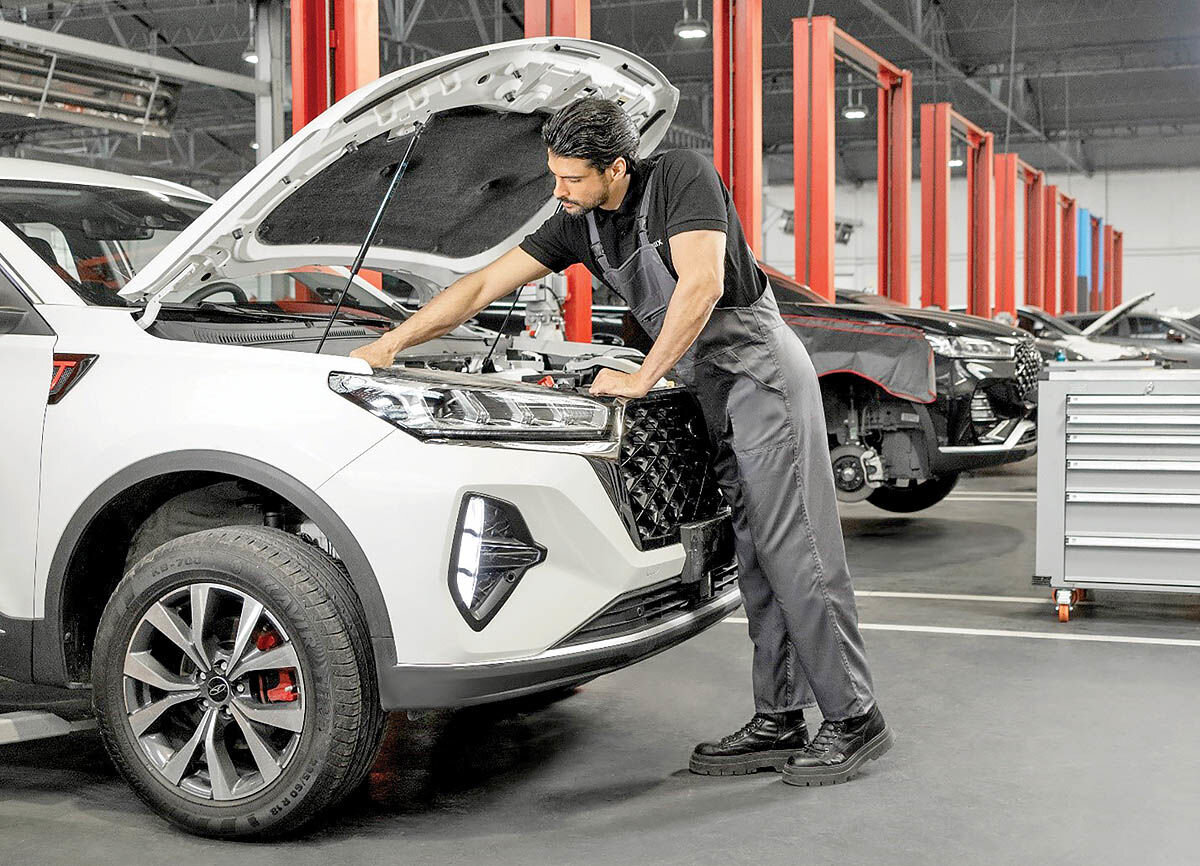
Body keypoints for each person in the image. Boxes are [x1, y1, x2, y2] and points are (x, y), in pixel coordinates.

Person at [351, 97, 892, 786]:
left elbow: (702, 284)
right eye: (555, 174)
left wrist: (644, 376)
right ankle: (779, 718)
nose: (559, 189)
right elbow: (485, 283)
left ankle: (854, 716)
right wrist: (390, 345)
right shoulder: (578, 222)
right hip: (708, 383)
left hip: (759, 371)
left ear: (616, 167)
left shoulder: (680, 178)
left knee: (799, 548)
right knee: (755, 555)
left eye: (572, 177)